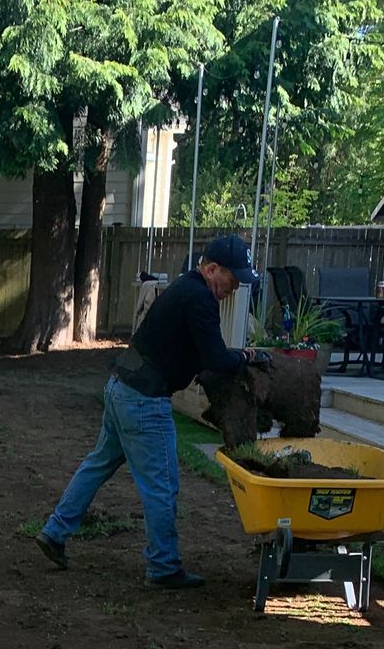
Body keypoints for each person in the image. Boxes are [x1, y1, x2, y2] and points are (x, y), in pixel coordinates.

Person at [35, 234, 272, 589]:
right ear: (211, 269)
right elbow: (217, 359)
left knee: (97, 465)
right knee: (162, 485)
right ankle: (163, 566)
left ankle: (55, 531)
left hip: (120, 388)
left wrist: (232, 356)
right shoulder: (199, 299)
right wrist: (248, 357)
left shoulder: (185, 288)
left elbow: (202, 351)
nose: (234, 288)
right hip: (144, 401)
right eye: (232, 280)